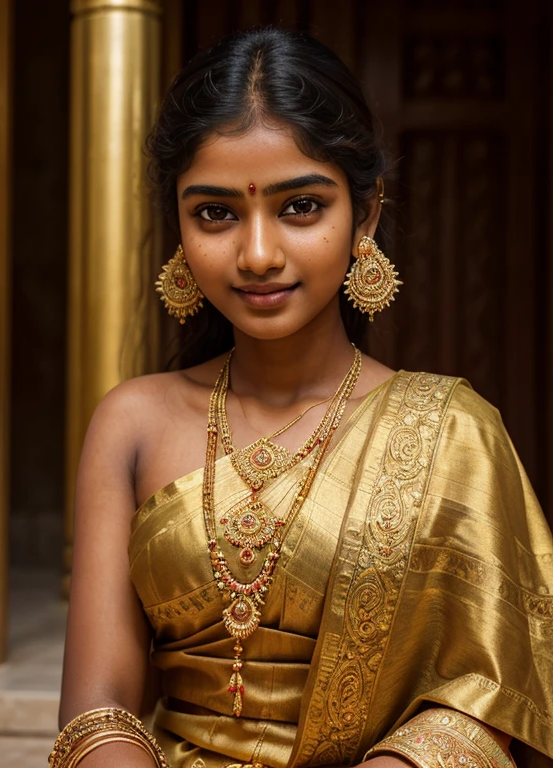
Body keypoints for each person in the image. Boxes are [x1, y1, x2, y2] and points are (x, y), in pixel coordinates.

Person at [51, 27, 553, 768]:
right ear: (179, 225)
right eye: (215, 213)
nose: (258, 253)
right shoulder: (133, 421)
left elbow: (484, 706)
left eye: (300, 207)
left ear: (367, 216)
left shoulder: (453, 433)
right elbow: (97, 712)